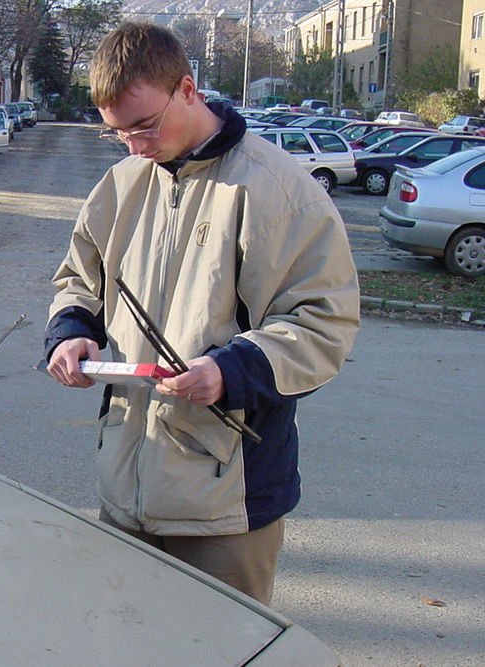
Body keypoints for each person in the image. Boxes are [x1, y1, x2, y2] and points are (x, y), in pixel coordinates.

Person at [43, 21, 360, 606]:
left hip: (227, 504)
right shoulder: (121, 185)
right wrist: (71, 333)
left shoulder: (276, 189)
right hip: (126, 483)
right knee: (125, 643)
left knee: (222, 649)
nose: (135, 146)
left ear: (187, 89)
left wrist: (230, 371)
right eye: (118, 134)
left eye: (144, 126)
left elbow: (323, 322)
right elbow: (78, 281)